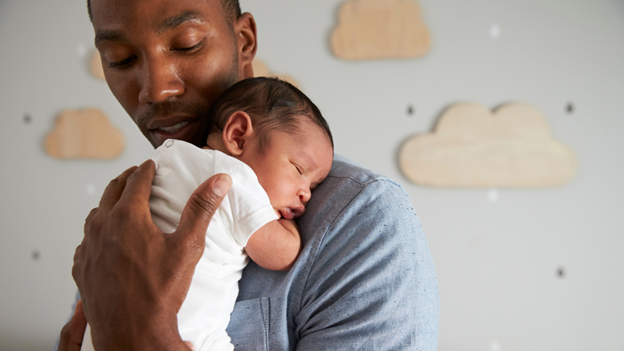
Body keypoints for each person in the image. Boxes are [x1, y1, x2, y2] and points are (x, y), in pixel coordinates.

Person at [58, 0, 440, 350]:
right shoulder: (124, 214)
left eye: (187, 44)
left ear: (243, 42)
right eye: (121, 59)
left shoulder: (360, 222)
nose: (156, 90)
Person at [79, 77, 333, 351]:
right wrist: (286, 223)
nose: (306, 193)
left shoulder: (167, 159)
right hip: (188, 330)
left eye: (313, 186)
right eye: (298, 169)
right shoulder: (236, 178)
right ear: (237, 136)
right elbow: (281, 255)